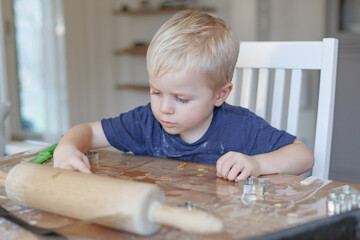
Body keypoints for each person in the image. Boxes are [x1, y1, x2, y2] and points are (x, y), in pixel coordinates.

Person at [54, 10, 314, 182]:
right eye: (157, 92)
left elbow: (303, 156)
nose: (165, 108)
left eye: (182, 99)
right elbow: (87, 131)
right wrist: (67, 147)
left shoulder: (241, 127)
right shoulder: (146, 122)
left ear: (220, 94)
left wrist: (257, 164)